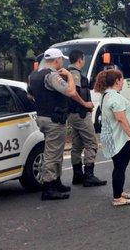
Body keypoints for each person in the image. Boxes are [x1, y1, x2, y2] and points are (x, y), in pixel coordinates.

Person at [28, 48, 94, 200]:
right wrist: (69, 76)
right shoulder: (51, 76)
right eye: (61, 60)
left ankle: (56, 182)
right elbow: (70, 91)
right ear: (57, 60)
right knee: (52, 154)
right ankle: (49, 187)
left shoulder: (33, 75)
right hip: (54, 120)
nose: (62, 62)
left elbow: (30, 95)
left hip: (43, 117)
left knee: (56, 151)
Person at [94, 69, 130, 207]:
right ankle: (117, 197)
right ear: (117, 80)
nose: (123, 81)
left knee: (119, 166)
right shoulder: (115, 97)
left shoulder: (106, 95)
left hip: (110, 136)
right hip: (118, 137)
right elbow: (121, 119)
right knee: (120, 167)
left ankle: (119, 191)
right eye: (122, 79)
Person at [67, 49, 107, 187]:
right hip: (80, 114)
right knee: (91, 143)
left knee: (77, 145)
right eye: (83, 58)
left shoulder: (69, 72)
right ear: (80, 59)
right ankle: (89, 176)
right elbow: (74, 93)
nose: (84, 61)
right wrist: (85, 104)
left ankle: (78, 174)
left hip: (74, 114)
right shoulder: (74, 74)